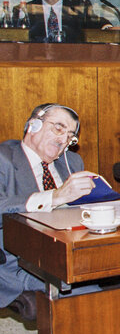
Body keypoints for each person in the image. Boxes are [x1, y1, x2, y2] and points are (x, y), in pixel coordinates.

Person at [0, 103, 97, 320]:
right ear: (33, 125)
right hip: (21, 262)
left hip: (73, 252)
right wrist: (55, 196)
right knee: (94, 289)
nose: (64, 140)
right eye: (58, 128)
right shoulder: (4, 158)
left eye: (71, 135)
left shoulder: (72, 161)